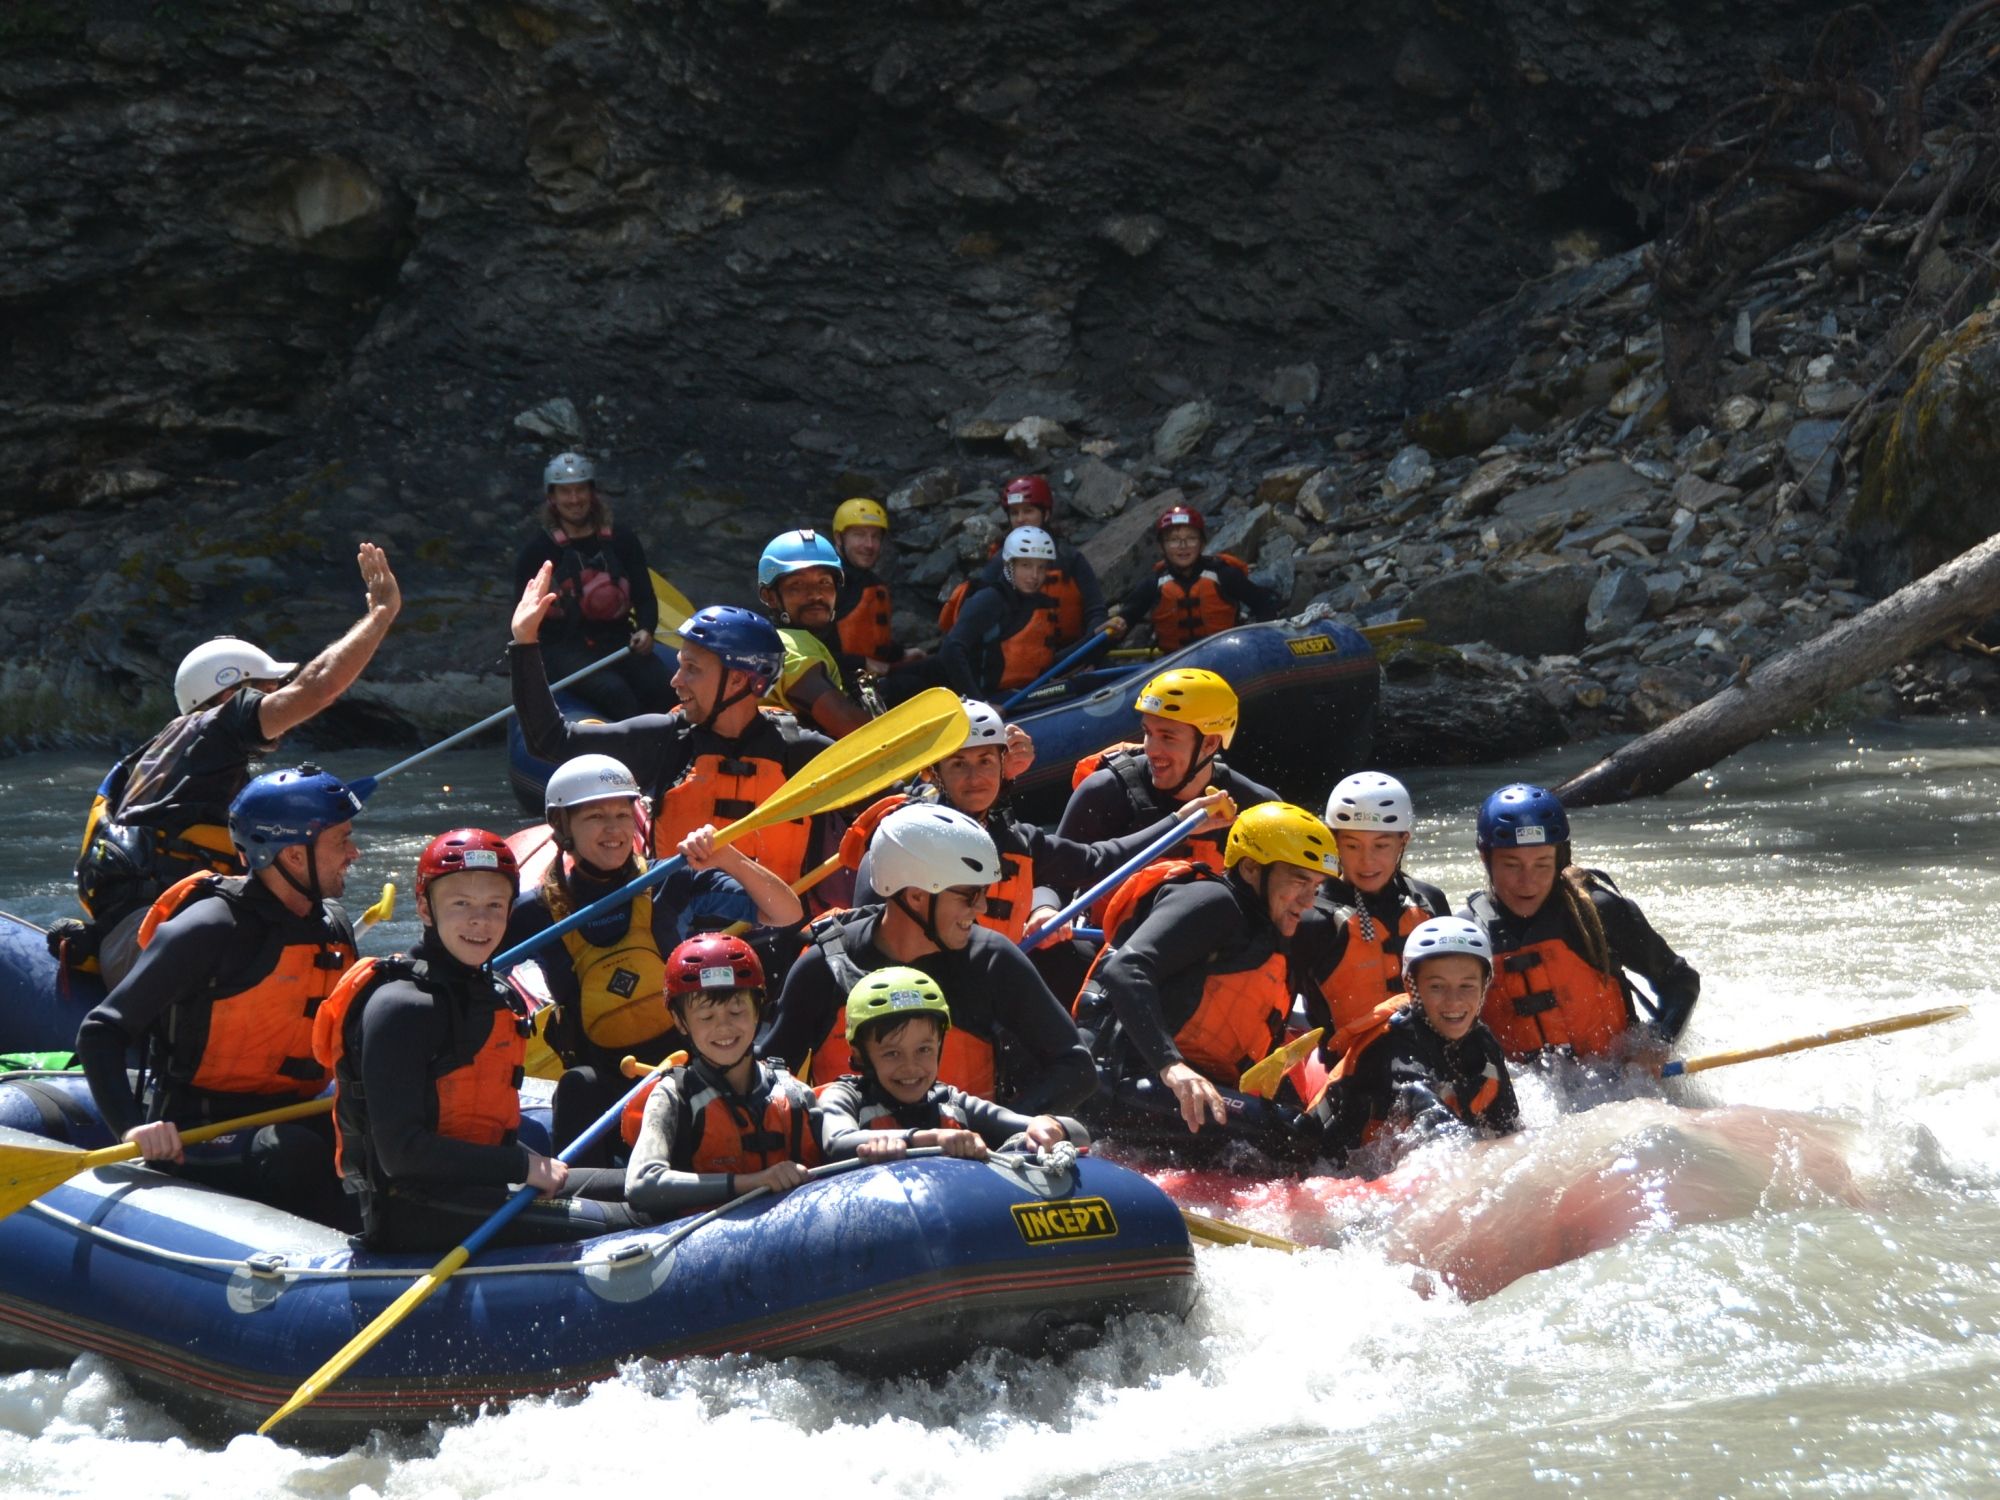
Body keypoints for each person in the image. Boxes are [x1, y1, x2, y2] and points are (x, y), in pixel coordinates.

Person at [66, 543, 401, 985]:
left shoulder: (175, 755)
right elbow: (316, 688)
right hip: (157, 944)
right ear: (230, 695)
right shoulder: (215, 730)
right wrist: (379, 617)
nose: (276, 698)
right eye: (265, 689)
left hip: (148, 937)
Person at [317, 828, 643, 1250]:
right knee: (632, 1221)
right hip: (418, 1209)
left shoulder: (488, 994)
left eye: (494, 905)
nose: (479, 920)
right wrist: (522, 1164)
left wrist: (528, 1163)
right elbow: (400, 1154)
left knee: (643, 1188)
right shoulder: (399, 1006)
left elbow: (483, 1125)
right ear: (425, 908)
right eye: (461, 904)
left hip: (485, 1187)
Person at [73, 767, 370, 1226]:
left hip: (294, 1111)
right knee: (292, 1155)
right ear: (293, 855)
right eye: (341, 841)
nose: (354, 853)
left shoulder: (332, 926)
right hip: (200, 1129)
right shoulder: (212, 926)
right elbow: (101, 1031)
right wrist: (133, 1128)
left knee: (376, 1145)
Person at [506, 754, 803, 1161]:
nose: (613, 829)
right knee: (578, 1085)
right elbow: (477, 965)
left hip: (688, 1070)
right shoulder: (537, 912)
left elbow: (787, 913)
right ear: (562, 826)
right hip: (602, 1084)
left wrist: (727, 856)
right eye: (595, 817)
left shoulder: (671, 881)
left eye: (622, 814)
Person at [759, 804, 1097, 1114]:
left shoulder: (992, 960)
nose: (980, 908)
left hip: (969, 1161)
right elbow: (767, 1076)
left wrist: (1005, 1129)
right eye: (969, 895)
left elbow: (1076, 1067)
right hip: (853, 1158)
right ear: (917, 896)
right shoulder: (824, 965)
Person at [512, 584, 837, 892]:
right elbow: (551, 740)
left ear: (738, 679)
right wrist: (525, 643)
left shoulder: (801, 752)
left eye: (692, 669)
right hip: (680, 930)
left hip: (780, 933)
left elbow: (884, 801)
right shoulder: (667, 740)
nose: (675, 681)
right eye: (680, 666)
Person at [1074, 801, 1337, 1135]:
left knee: (1305, 1133)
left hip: (1195, 1084)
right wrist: (1172, 1066)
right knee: (1286, 1134)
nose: (1308, 900)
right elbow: (1126, 969)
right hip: (1126, 1080)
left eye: (1315, 887)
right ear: (1252, 868)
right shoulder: (1213, 902)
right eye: (1299, 882)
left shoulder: (1268, 928)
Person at [1461, 783, 1701, 1063]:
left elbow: (1681, 981)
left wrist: (1659, 1043)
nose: (1528, 881)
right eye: (1512, 865)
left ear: (1560, 859)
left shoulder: (1599, 913)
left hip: (1617, 1085)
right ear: (1485, 858)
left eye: (1542, 864)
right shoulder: (1466, 935)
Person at [624, 934, 828, 1217]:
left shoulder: (794, 1093)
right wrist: (753, 1183)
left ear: (758, 1010)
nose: (724, 1027)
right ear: (680, 1022)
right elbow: (642, 1185)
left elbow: (840, 1145)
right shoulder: (674, 1095)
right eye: (706, 1017)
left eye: (737, 1010)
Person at [1307, 916, 1520, 1172]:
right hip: (1329, 1170)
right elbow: (1416, 1097)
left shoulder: (1483, 1042)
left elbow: (1509, 1126)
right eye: (1437, 987)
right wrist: (1463, 1151)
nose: (1454, 1002)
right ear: (1412, 986)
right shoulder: (1395, 1046)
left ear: (1485, 986)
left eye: (1467, 986)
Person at [817, 967, 1083, 1163]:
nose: (911, 1067)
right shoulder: (846, 1097)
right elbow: (837, 1142)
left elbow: (1078, 1132)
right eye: (892, 1054)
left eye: (924, 1050)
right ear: (861, 1056)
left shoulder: (951, 1102)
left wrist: (1052, 1126)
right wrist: (930, 1139)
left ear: (940, 1047)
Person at [1056, 668, 1277, 879]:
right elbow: (1053, 877)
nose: (1151, 749)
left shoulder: (1256, 807)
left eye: (1167, 737)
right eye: (1148, 732)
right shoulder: (1103, 792)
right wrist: (1044, 908)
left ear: (1209, 743)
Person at [512, 452, 676, 721]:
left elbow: (645, 597)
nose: (574, 499)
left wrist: (646, 629)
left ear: (592, 493)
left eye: (580, 490)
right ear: (552, 497)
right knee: (616, 692)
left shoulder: (622, 539)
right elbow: (523, 616)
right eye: (565, 492)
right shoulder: (538, 551)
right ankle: (634, 751)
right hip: (563, 649)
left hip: (618, 641)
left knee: (662, 687)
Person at [1292, 773, 1451, 1039]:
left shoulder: (1429, 902)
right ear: (1334, 843)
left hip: (1429, 1052)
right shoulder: (1309, 916)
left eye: (1381, 845)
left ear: (1403, 841)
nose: (1367, 861)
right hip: (1347, 1067)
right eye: (1352, 846)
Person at [937, 476, 1109, 643]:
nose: (1020, 519)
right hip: (1019, 660)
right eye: (1014, 513)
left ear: (1046, 514)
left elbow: (1096, 611)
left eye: (1028, 511)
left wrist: (1090, 650)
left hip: (1073, 654)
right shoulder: (1000, 563)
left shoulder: (1070, 559)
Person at [1106, 503, 1276, 651]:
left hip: (1226, 656)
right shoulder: (1152, 584)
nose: (1183, 546)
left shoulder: (1224, 575)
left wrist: (1261, 643)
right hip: (1175, 665)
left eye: (1191, 538)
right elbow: (1122, 626)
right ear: (1162, 547)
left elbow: (1264, 604)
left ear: (1202, 543)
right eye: (1173, 540)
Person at [754, 528, 873, 738]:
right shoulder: (789, 646)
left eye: (825, 582)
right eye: (797, 585)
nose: (815, 594)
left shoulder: (771, 641)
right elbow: (853, 729)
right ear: (770, 597)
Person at [934, 526, 1068, 699]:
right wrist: (981, 704)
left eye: (1041, 568)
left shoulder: (1040, 603)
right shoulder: (989, 600)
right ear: (1010, 565)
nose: (1035, 575)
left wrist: (1095, 636)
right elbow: (951, 649)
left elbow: (1046, 661)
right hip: (988, 699)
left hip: (1023, 694)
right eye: (1026, 565)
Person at [829, 498, 920, 674]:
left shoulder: (871, 582)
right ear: (839, 537)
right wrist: (863, 664)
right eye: (859, 535)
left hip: (869, 683)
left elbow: (870, 639)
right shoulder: (827, 582)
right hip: (836, 685)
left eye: (875, 536)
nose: (869, 545)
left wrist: (901, 654)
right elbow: (808, 652)